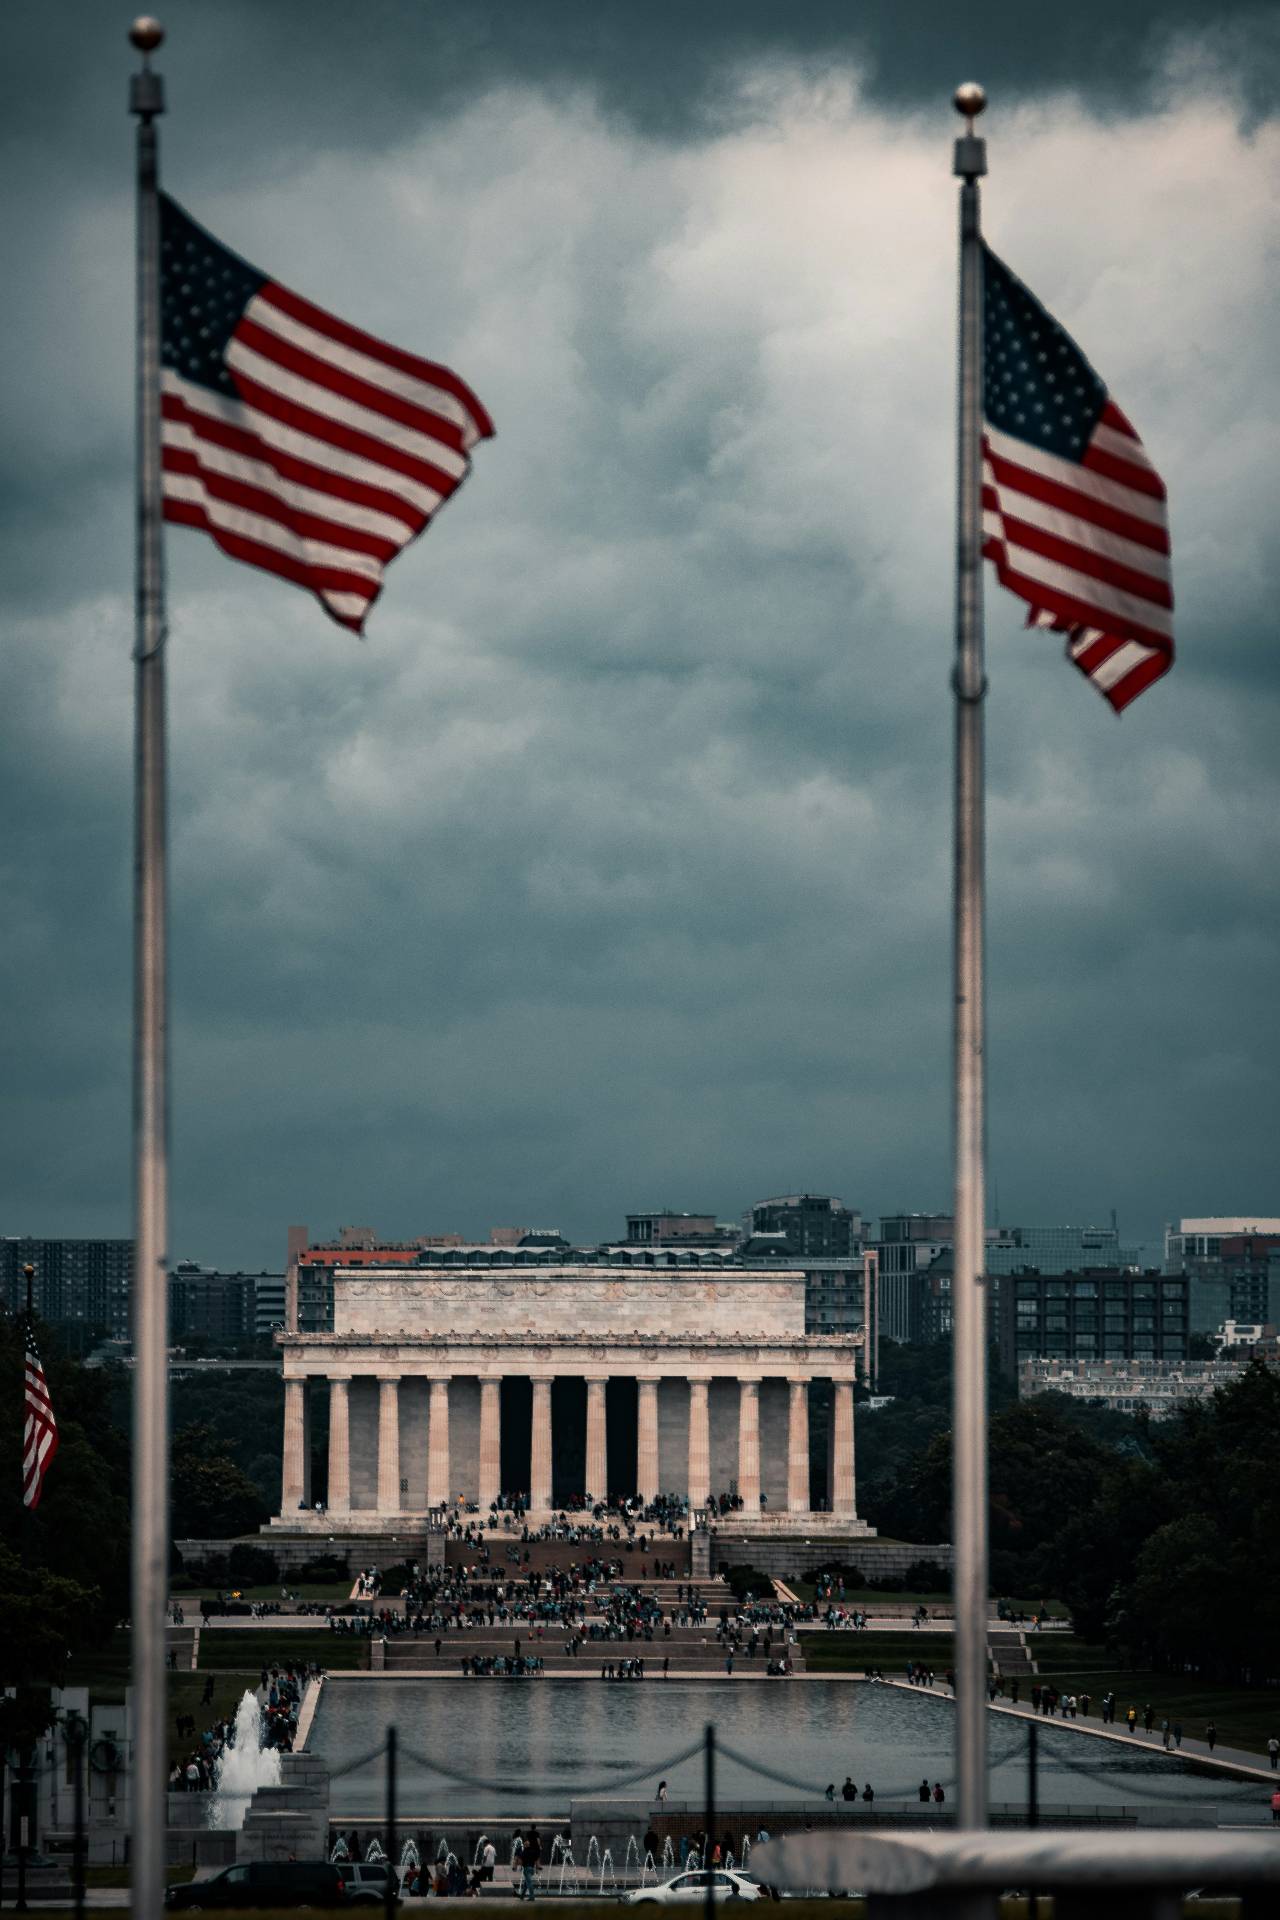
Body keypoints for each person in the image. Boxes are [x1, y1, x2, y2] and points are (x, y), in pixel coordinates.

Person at [521, 1826, 541, 1900]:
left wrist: (520, 1866)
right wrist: (537, 1869)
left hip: (526, 1869)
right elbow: (536, 1860)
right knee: (526, 1883)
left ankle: (532, 1897)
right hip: (532, 1869)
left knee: (529, 1884)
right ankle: (522, 1896)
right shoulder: (533, 1852)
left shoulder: (524, 1852)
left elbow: (521, 1861)